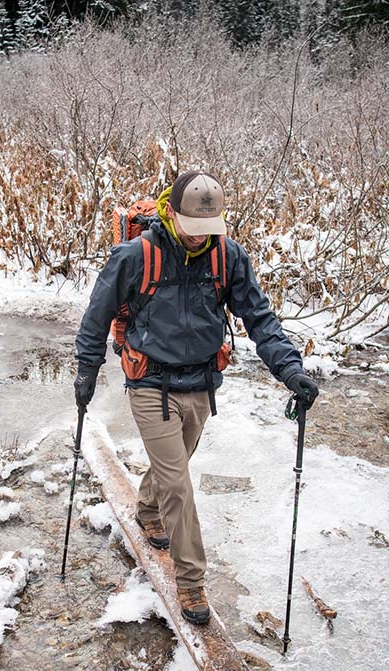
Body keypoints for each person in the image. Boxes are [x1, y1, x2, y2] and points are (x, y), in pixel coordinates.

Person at [73, 171, 319, 625]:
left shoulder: (227, 257)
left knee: (173, 470)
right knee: (180, 486)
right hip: (149, 381)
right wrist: (86, 371)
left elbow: (259, 319)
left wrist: (290, 369)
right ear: (171, 213)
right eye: (193, 229)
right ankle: (191, 584)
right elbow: (96, 316)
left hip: (202, 384)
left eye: (209, 230)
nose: (199, 239)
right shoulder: (135, 256)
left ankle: (147, 509)